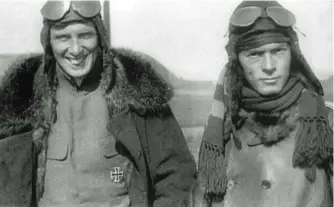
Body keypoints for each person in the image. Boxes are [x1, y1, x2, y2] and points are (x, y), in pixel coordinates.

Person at [0, 1, 196, 206]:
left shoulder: (135, 92)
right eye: (62, 37)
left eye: (85, 35)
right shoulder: (20, 99)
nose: (75, 50)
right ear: (48, 43)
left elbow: (177, 174)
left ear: (100, 37)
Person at [193, 1, 333, 206]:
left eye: (278, 51)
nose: (269, 67)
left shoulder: (324, 122)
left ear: (292, 53)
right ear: (237, 59)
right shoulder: (221, 128)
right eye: (254, 54)